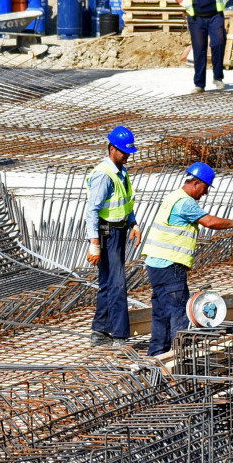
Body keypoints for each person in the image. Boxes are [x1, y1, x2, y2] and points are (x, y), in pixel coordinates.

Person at [141, 162, 233, 357]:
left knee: (161, 312)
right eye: (205, 188)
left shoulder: (173, 196)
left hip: (156, 264)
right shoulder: (186, 202)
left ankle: (156, 354)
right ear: (196, 183)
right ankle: (176, 358)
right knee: (179, 311)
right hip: (170, 266)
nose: (205, 194)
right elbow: (210, 222)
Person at [85, 126, 142, 347]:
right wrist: (94, 244)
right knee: (117, 283)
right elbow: (92, 211)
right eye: (124, 152)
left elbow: (125, 201)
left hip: (118, 230)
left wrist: (133, 223)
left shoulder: (121, 171)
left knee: (109, 283)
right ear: (111, 149)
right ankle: (119, 335)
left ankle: (99, 332)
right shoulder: (104, 175)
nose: (127, 155)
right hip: (106, 232)